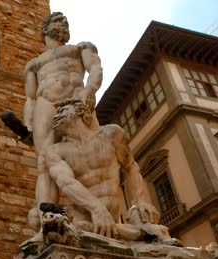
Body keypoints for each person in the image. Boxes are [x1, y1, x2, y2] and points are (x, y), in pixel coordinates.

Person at [24, 100, 172, 245]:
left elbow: (130, 167)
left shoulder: (111, 134)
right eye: (57, 112)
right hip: (85, 215)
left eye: (63, 110)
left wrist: (140, 201)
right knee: (36, 217)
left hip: (110, 214)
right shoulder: (55, 151)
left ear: (81, 112)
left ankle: (123, 232)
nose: (57, 115)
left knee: (140, 214)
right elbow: (66, 182)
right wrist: (96, 208)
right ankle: (139, 234)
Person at [23, 11, 102, 241]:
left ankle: (95, 214)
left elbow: (96, 69)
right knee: (44, 162)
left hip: (78, 99)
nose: (63, 24)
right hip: (46, 105)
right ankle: (46, 222)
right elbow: (30, 98)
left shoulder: (81, 48)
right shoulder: (34, 64)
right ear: (45, 29)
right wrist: (28, 124)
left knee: (93, 154)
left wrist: (89, 91)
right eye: (58, 20)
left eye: (65, 21)